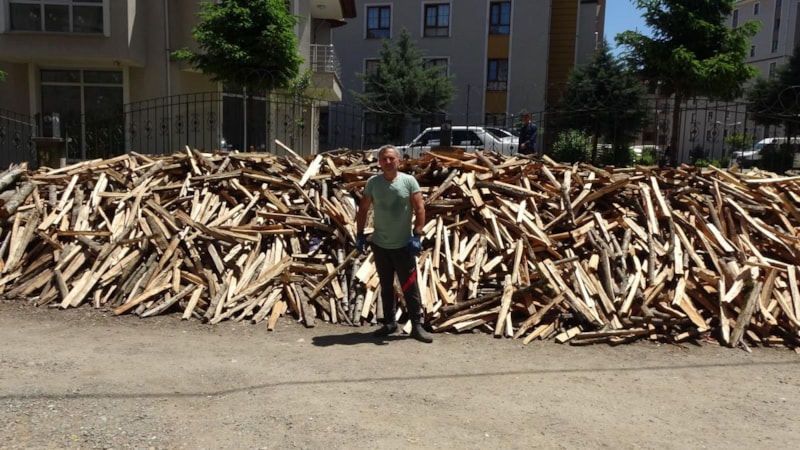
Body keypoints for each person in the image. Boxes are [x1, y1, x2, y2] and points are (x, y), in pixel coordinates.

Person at [355, 145, 432, 343]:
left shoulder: (408, 181)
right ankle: (390, 323)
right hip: (381, 245)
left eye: (391, 158)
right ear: (379, 162)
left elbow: (420, 208)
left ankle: (416, 325)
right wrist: (360, 234)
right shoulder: (373, 183)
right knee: (386, 286)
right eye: (384, 159)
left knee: (409, 286)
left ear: (399, 160)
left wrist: (417, 235)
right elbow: (363, 209)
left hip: (403, 246)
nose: (388, 162)